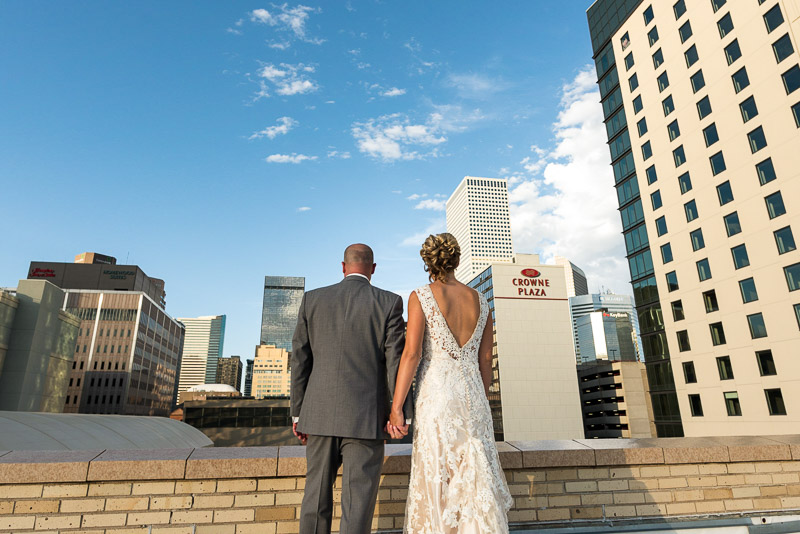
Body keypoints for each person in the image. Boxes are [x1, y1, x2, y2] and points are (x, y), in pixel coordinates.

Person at [388, 233, 512, 533]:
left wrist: (396, 408)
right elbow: (486, 360)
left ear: (428, 262)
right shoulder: (481, 300)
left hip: (438, 396)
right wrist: (481, 397)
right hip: (474, 398)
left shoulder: (421, 296)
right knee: (472, 473)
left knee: (439, 474)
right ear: (456, 260)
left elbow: (412, 354)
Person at [291, 243, 412, 534]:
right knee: (358, 504)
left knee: (315, 497)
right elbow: (395, 360)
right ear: (373, 269)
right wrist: (401, 414)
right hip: (365, 419)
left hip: (317, 417)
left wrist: (298, 414)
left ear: (343, 267)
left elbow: (300, 359)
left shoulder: (312, 300)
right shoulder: (389, 302)